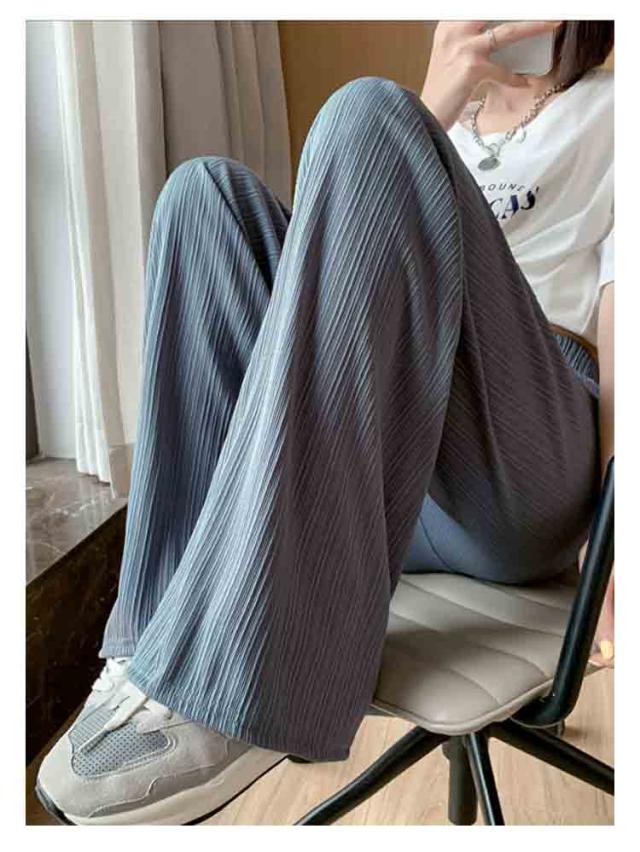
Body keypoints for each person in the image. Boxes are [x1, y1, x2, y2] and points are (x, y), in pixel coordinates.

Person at [36, 19, 614, 825]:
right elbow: (351, 278)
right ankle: (155, 651)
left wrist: (618, 549)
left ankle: (242, 680)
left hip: (531, 451)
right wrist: (437, 101)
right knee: (205, 196)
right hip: (403, 447)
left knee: (368, 112)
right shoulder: (445, 117)